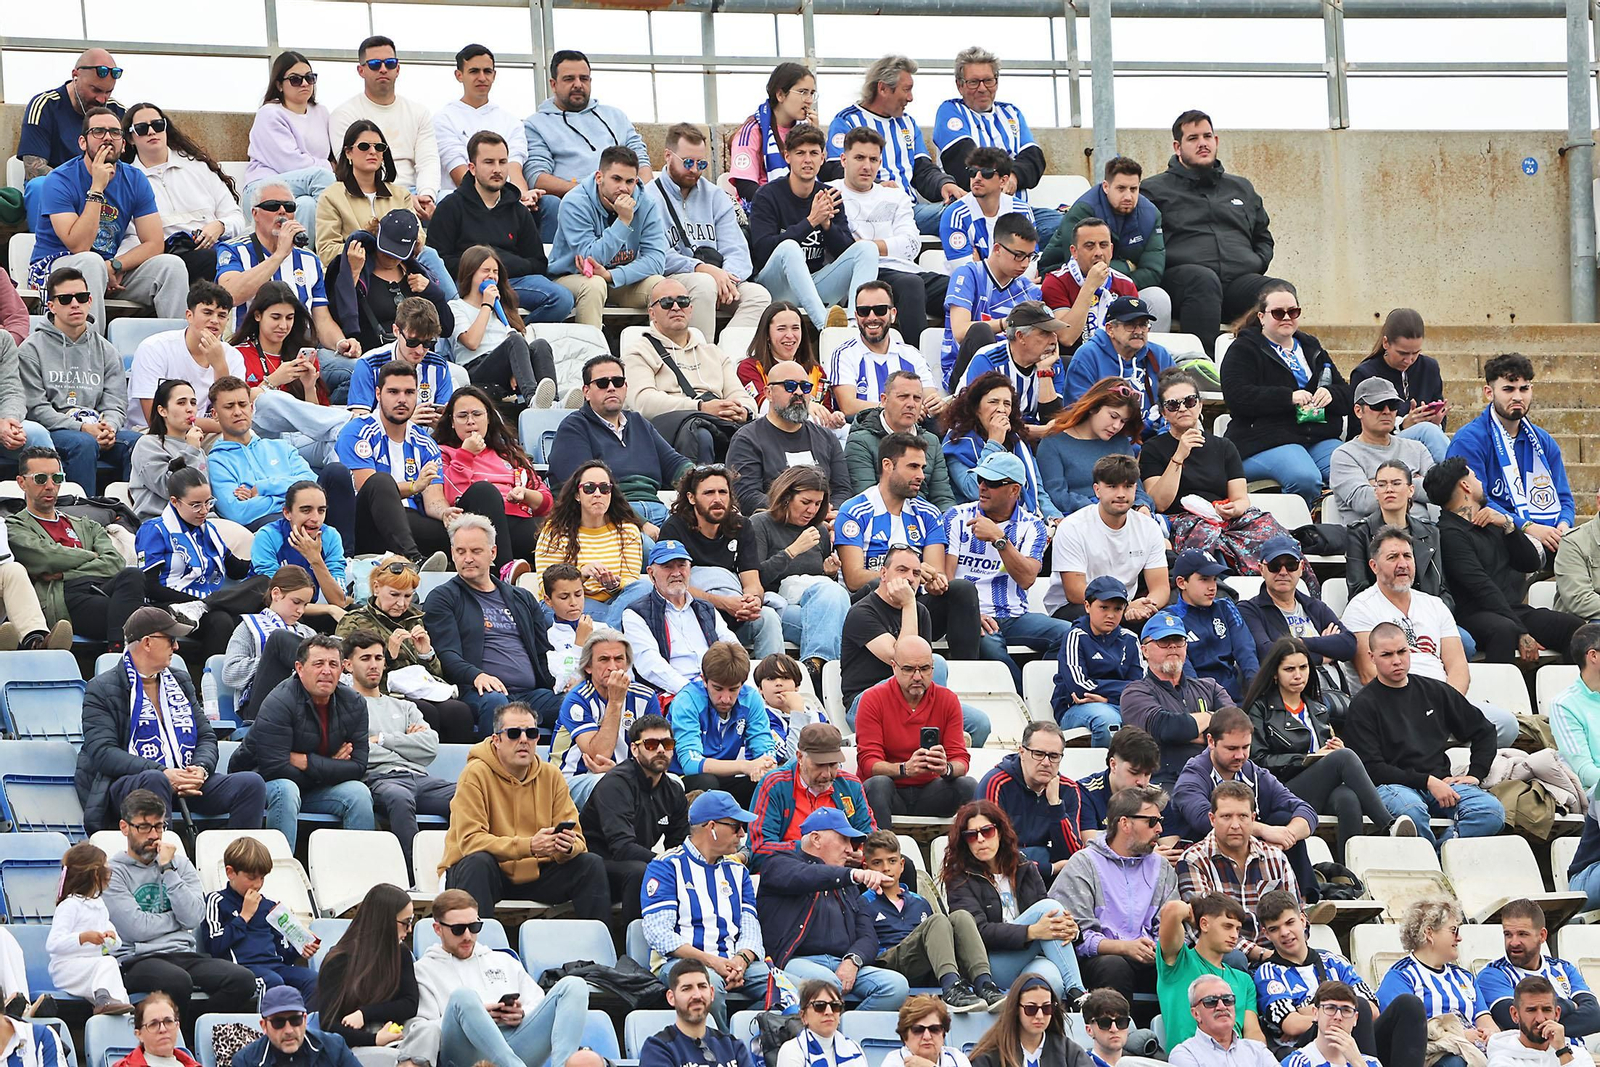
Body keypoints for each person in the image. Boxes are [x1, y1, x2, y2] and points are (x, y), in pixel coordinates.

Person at [1342, 526, 1519, 746]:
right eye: (1393, 557)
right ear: (1373, 566)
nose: (1403, 564)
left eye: (1408, 556)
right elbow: (1369, 675)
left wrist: (1447, 707)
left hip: (1441, 706)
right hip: (1393, 710)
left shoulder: (1434, 604)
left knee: (1505, 724)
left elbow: (1458, 667)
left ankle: (1442, 744)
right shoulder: (1361, 607)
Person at [103, 788, 259, 1033]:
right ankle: (180, 1044)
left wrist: (167, 871)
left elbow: (195, 916)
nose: (153, 835)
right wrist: (177, 921)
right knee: (177, 981)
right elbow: (135, 928)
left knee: (242, 980)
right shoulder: (113, 873)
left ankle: (194, 1031)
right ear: (125, 827)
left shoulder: (178, 864)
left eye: (159, 826)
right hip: (136, 959)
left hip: (182, 953)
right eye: (144, 827)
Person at [1240, 638, 1407, 860]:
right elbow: (1257, 761)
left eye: (1303, 667)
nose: (1298, 675)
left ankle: (1348, 873)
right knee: (1344, 757)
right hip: (1279, 790)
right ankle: (1388, 825)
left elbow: (1325, 755)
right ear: (1275, 673)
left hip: (1314, 789)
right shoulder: (1260, 708)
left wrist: (1332, 748)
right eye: (1289, 669)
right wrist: (1308, 759)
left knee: (1348, 798)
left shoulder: (1317, 709)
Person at [439, 697, 608, 917]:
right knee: (478, 863)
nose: (523, 740)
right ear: (496, 740)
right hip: (488, 873)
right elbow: (471, 842)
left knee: (590, 864)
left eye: (531, 733)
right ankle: (480, 948)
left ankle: (599, 947)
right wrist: (530, 846)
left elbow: (579, 841)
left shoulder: (551, 775)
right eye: (513, 733)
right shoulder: (475, 773)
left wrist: (566, 847)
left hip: (536, 872)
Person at [1344, 622, 1506, 849]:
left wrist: (1475, 774)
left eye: (1402, 651)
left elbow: (1484, 730)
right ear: (1371, 657)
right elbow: (1372, 768)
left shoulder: (1435, 691)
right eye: (1387, 655)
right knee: (1411, 812)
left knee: (1491, 811)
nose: (1397, 660)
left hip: (1441, 784)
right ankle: (1429, 864)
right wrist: (1427, 781)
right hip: (1392, 786)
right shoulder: (1363, 705)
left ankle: (1440, 855)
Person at [26, 106, 188, 331]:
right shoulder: (59, 180)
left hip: (108, 268)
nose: (107, 138)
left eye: (114, 132)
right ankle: (92, 354)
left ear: (123, 144)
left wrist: (115, 265)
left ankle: (178, 351)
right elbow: (79, 245)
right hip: (56, 267)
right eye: (98, 132)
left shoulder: (135, 179)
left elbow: (154, 243)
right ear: (83, 142)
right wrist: (97, 188)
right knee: (91, 263)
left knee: (171, 266)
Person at [404, 887, 592, 1067]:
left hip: (516, 1044)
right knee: (463, 998)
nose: (468, 936)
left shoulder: (503, 960)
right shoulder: (422, 970)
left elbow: (537, 1002)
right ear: (438, 929)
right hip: (465, 1054)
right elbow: (420, 1030)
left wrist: (521, 1012)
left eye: (474, 926)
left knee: (574, 985)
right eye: (458, 929)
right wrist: (473, 1018)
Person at [1139, 109, 1272, 357]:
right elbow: (1143, 244)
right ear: (1177, 147)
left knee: (1278, 293)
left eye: (1207, 136)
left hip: (1238, 284)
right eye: (1193, 138)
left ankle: (1270, 366)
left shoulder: (1241, 187)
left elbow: (1263, 236)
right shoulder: (1153, 190)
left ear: (1216, 141)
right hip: (1184, 283)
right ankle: (1205, 367)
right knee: (1203, 280)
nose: (1202, 143)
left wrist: (1257, 261)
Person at [1428, 455, 1584, 665]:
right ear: (1466, 486)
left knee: (1574, 628)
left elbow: (1529, 563)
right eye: (1475, 477)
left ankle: (1569, 693)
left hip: (1510, 610)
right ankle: (1496, 697)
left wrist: (1509, 526)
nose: (1481, 483)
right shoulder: (1449, 534)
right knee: (1503, 630)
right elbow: (1481, 587)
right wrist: (1521, 631)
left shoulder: (1492, 521)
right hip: (1474, 614)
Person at [640, 791, 779, 1022]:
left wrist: (740, 962)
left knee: (787, 990)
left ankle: (748, 1040)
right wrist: (713, 962)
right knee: (706, 987)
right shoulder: (666, 866)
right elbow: (659, 935)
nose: (743, 835)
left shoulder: (738, 872)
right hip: (679, 963)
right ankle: (722, 1050)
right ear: (712, 827)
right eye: (737, 827)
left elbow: (751, 929)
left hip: (732, 962)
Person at [228, 633, 375, 846]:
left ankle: (357, 870)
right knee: (287, 789)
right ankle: (279, 868)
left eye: (333, 664)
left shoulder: (354, 703)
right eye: (318, 664)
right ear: (299, 668)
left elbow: (358, 766)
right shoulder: (280, 701)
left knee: (359, 793)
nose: (327, 670)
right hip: (258, 780)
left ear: (342, 669)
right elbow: (274, 768)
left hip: (314, 785)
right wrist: (330, 766)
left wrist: (307, 761)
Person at [757, 807, 910, 1010]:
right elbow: (807, 875)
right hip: (794, 961)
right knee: (828, 985)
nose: (850, 849)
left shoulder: (847, 883)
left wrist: (853, 961)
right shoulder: (778, 863)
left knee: (896, 986)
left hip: (841, 962)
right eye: (844, 840)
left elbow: (868, 935)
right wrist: (851, 875)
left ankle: (846, 1033)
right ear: (816, 839)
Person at [214, 180, 361, 384]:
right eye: (273, 206)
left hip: (300, 353)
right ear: (255, 214)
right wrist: (280, 254)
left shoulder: (309, 259)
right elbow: (230, 295)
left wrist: (340, 343)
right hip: (250, 352)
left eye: (289, 207)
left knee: (356, 371)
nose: (282, 212)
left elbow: (321, 318)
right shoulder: (233, 250)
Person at [1254, 891, 1425, 1065]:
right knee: (1357, 1007)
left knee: (1409, 1005)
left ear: (1303, 920)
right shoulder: (1269, 972)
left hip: (1358, 1037)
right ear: (1266, 934)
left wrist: (1314, 1011)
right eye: (1274, 929)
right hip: (1312, 1048)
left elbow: (1372, 1010)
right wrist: (1341, 1013)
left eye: (1290, 922)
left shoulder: (1334, 961)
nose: (1284, 932)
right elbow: (1292, 1024)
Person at [943, 450, 1068, 684]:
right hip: (970, 616)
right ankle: (1023, 700)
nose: (982, 487)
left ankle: (1040, 690)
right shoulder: (956, 517)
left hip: (1013, 616)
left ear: (1014, 490)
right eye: (980, 480)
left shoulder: (1033, 526)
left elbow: (1027, 578)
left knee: (1070, 634)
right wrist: (968, 614)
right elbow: (948, 577)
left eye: (991, 483)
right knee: (992, 650)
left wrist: (1000, 540)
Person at [1221, 280, 1351, 505]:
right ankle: (1298, 534)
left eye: (1293, 311)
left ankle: (1344, 534)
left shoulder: (1312, 347)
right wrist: (1287, 397)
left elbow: (1346, 395)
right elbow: (1237, 396)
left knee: (1352, 469)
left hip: (1316, 437)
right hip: (1265, 439)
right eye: (1278, 313)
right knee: (1306, 478)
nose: (1287, 317)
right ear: (1262, 317)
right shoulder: (1244, 349)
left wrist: (1330, 395)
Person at [428, 515, 560, 733]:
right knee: (498, 705)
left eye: (476, 551)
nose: (467, 558)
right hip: (479, 691)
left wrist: (563, 683)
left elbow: (543, 651)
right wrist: (477, 675)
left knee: (575, 704)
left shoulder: (522, 598)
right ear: (453, 553)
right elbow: (446, 654)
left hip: (531, 694)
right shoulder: (443, 597)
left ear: (493, 553)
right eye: (461, 551)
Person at [941, 800, 1086, 999]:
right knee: (1050, 908)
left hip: (1028, 957)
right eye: (972, 835)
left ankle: (1070, 998)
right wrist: (1031, 932)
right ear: (964, 841)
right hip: (988, 966)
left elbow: (1048, 921)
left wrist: (1073, 930)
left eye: (987, 831)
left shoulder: (1024, 867)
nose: (981, 839)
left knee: (1050, 982)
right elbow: (977, 932)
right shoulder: (960, 878)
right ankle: (1078, 992)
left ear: (1000, 832)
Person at [1050, 784, 1176, 1006]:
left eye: (1161, 821)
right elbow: (1074, 935)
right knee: (1113, 965)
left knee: (1186, 964)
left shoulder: (1162, 867)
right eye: (1151, 822)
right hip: (1099, 958)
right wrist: (1124, 947)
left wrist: (1159, 945)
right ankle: (1115, 1038)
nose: (1159, 830)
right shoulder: (1084, 863)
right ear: (1124, 823)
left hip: (1150, 954)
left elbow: (1171, 922)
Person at [429, 132, 573, 324]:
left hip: (511, 283)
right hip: (467, 285)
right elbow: (438, 261)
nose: (497, 169)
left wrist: (502, 266)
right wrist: (479, 268)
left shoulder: (518, 209)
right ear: (472, 168)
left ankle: (518, 337)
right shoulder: (450, 206)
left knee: (562, 299)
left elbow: (538, 262)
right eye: (489, 162)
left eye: (502, 162)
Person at [134, 466, 268, 667]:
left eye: (208, 503)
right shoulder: (154, 530)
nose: (204, 511)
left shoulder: (209, 530)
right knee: (221, 620)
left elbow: (236, 569)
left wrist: (268, 549)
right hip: (169, 605)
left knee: (265, 583)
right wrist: (195, 601)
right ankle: (209, 686)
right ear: (175, 502)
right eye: (196, 505)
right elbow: (150, 586)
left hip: (208, 604)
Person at [342, 629, 454, 869]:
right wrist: (406, 742)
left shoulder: (405, 706)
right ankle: (414, 875)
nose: (374, 665)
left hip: (420, 778)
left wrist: (381, 739)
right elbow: (358, 751)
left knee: (467, 795)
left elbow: (430, 746)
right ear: (348, 665)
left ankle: (458, 870)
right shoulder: (344, 706)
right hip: (380, 780)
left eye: (379, 658)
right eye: (365, 659)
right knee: (399, 798)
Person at [1447, 352, 1574, 564]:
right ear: (1489, 392)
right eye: (1508, 389)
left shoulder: (1543, 441)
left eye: (1524, 389)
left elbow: (1565, 499)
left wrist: (1563, 526)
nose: (1518, 397)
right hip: (1493, 533)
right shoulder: (1469, 440)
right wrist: (1528, 527)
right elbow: (1476, 502)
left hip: (1546, 533)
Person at [647, 123, 771, 339]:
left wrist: (727, 280)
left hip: (719, 278)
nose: (695, 169)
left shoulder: (715, 195)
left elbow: (737, 249)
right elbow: (656, 255)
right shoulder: (649, 197)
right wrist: (702, 269)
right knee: (703, 285)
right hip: (672, 278)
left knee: (758, 296)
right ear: (668, 155)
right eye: (687, 162)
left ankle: (722, 357)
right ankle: (697, 359)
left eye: (701, 163)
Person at [749, 126, 880, 329]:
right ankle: (826, 328)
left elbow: (845, 252)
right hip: (776, 287)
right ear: (787, 156)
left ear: (823, 157)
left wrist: (827, 226)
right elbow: (762, 250)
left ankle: (856, 327)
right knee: (790, 248)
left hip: (815, 284)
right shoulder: (767, 195)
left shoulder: (830, 195)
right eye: (800, 153)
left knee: (867, 249)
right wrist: (810, 222)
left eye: (814, 153)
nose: (807, 160)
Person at [334, 555, 475, 744]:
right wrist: (388, 657)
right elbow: (346, 673)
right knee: (425, 712)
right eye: (394, 594)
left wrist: (427, 654)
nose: (401, 604)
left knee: (460, 712)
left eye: (407, 596)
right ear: (376, 588)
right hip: (382, 694)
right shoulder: (353, 621)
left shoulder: (415, 620)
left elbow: (436, 676)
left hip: (421, 691)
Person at [20, 268, 139, 491]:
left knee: (139, 444)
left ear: (90, 300)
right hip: (54, 431)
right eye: (65, 299)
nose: (75, 304)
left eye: (81, 297)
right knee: (83, 444)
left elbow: (116, 402)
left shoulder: (106, 350)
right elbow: (36, 409)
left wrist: (109, 427)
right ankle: (81, 513)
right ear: (51, 305)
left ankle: (128, 515)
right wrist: (82, 428)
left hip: (97, 430)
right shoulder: (31, 349)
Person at [9, 446, 140, 647]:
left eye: (57, 478)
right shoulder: (15, 526)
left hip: (93, 585)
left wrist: (64, 572)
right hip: (63, 594)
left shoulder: (86, 524)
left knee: (134, 576)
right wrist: (92, 555)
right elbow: (47, 558)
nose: (51, 486)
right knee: (136, 615)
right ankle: (121, 651)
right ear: (22, 483)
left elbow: (115, 563)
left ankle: (118, 651)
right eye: (41, 479)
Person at [857, 831, 1000, 1011]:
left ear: (902, 865)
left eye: (892, 861)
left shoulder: (919, 901)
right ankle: (951, 988)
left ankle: (985, 984)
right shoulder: (863, 902)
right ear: (865, 867)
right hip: (888, 964)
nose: (886, 868)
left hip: (924, 964)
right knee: (938, 920)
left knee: (961, 916)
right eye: (877, 863)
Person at [831, 127, 949, 343]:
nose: (867, 166)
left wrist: (865, 246)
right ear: (843, 159)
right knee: (911, 285)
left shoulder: (895, 195)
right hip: (864, 275)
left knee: (962, 287)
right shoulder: (830, 192)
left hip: (906, 269)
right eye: (859, 158)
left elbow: (912, 245)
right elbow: (841, 248)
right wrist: (877, 248)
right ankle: (915, 361)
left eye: (873, 159)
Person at [548, 354, 692, 530]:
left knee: (694, 539)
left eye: (617, 382)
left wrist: (703, 480)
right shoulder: (574, 428)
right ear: (586, 392)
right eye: (602, 383)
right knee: (648, 549)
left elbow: (676, 465)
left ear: (625, 387)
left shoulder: (639, 422)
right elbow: (588, 490)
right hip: (607, 516)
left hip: (659, 509)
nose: (611, 388)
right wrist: (641, 523)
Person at [619, 277, 755, 462]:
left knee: (756, 434)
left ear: (690, 309)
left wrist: (743, 410)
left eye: (682, 301)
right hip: (669, 429)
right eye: (667, 303)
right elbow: (642, 402)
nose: (676, 307)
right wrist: (700, 408)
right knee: (701, 434)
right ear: (652, 313)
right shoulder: (638, 352)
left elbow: (742, 396)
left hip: (716, 421)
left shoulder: (713, 352)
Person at [1175, 779, 1310, 966]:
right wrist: (1262, 954)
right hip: (1224, 957)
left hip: (1276, 950)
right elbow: (1202, 927)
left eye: (1243, 816)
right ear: (1212, 819)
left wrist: (1290, 950)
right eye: (1226, 816)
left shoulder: (1275, 857)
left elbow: (1297, 912)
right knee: (1234, 958)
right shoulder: (1193, 860)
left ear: (1253, 819)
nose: (1235, 825)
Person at [336, 361, 458, 564]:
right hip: (367, 524)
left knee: (460, 530)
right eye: (393, 392)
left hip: (411, 521)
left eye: (409, 392)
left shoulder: (426, 443)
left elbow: (433, 500)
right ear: (377, 394)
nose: (402, 399)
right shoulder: (357, 432)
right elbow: (368, 486)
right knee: (381, 481)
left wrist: (446, 513)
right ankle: (415, 559)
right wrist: (414, 486)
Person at [824, 55, 961, 236]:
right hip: (865, 213)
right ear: (883, 88)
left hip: (908, 210)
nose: (910, 98)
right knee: (957, 215)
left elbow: (923, 171)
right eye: (906, 90)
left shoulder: (908, 124)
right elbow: (835, 170)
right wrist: (878, 187)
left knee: (963, 210)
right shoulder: (847, 121)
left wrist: (944, 184)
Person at [657, 464, 783, 659]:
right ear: (691, 498)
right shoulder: (674, 528)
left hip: (736, 612)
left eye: (722, 492)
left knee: (768, 618)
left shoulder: (742, 525)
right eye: (709, 493)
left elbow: (752, 582)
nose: (717, 499)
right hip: (692, 616)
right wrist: (724, 603)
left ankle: (774, 679)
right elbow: (671, 586)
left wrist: (751, 601)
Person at [522, 50, 653, 230]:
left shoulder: (615, 116)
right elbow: (537, 177)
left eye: (584, 78)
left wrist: (644, 192)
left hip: (624, 196)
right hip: (576, 202)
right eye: (569, 79)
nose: (578, 85)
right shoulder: (536, 124)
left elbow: (641, 159)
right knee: (551, 204)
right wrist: (590, 191)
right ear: (553, 84)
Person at [742, 465, 852, 680]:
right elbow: (756, 577)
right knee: (837, 628)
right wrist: (792, 551)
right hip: (777, 605)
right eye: (805, 502)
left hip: (815, 605)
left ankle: (815, 667)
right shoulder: (760, 523)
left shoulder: (819, 529)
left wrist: (829, 571)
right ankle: (824, 676)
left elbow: (818, 582)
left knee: (833, 599)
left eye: (818, 504)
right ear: (786, 497)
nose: (811, 510)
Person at [935, 47, 1056, 240]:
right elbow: (963, 161)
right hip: (974, 211)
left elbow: (1034, 158)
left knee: (1065, 226)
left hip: (1019, 212)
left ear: (996, 82)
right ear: (960, 85)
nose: (982, 88)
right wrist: (1000, 178)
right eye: (973, 82)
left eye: (988, 80)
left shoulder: (1011, 113)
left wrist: (1013, 178)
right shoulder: (950, 111)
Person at [857, 635, 975, 829]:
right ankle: (881, 852)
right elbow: (868, 763)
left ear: (932, 668)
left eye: (925, 669)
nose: (918, 676)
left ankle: (972, 856)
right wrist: (905, 769)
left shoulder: (947, 699)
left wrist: (946, 768)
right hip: (890, 790)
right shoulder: (873, 699)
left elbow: (961, 759)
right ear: (894, 667)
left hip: (931, 790)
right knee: (878, 784)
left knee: (967, 785)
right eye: (909, 669)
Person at [579, 713, 687, 919]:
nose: (661, 750)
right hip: (594, 865)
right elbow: (622, 847)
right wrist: (666, 862)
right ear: (634, 749)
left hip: (635, 862)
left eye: (667, 743)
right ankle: (633, 944)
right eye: (652, 744)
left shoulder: (673, 790)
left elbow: (679, 843)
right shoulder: (616, 783)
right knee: (641, 871)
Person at [435, 385, 553, 573]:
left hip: (517, 522)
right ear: (451, 421)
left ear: (489, 418)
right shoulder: (443, 453)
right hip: (474, 525)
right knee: (485, 491)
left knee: (558, 528)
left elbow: (546, 502)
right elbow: (451, 495)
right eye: (462, 416)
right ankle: (504, 571)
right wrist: (465, 454)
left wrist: (526, 494)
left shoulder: (510, 454)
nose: (470, 421)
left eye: (477, 414)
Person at [121, 103, 244, 283]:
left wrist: (220, 226)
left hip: (218, 247)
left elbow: (236, 216)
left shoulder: (198, 167)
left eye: (157, 125)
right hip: (169, 259)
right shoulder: (126, 180)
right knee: (214, 262)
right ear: (130, 138)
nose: (151, 132)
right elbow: (131, 237)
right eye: (141, 128)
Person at [1044, 156, 1171, 328]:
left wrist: (1116, 282)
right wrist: (1127, 266)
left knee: (1158, 298)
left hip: (1122, 286)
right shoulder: (1083, 209)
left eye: (1133, 189)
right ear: (1106, 186)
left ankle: (1147, 353)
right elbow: (1078, 263)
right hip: (1072, 284)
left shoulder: (1150, 214)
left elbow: (1153, 272)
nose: (1128, 196)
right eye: (1121, 188)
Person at [547, 145, 666, 327]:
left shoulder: (647, 203)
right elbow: (590, 259)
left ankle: (654, 351)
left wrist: (611, 275)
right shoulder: (574, 202)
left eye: (629, 181)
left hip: (616, 279)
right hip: (571, 278)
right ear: (599, 177)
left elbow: (657, 260)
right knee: (594, 284)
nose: (623, 188)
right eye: (616, 179)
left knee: (660, 286)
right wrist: (623, 221)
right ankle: (591, 353)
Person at [327, 35, 441, 223]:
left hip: (417, 192)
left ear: (397, 69)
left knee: (451, 203)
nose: (382, 69)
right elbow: (350, 166)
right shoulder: (344, 114)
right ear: (361, 70)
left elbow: (428, 160)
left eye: (389, 63)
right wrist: (400, 197)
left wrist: (428, 195)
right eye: (374, 64)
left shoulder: (418, 112)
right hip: (369, 193)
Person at [1051, 453, 1169, 626]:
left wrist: (1147, 605)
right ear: (1097, 490)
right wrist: (1122, 607)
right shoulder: (1072, 526)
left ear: (1135, 489)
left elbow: (1161, 588)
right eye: (1112, 486)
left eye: (1128, 486)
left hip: (1126, 606)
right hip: (1076, 607)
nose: (1121, 494)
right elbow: (1075, 591)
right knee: (1107, 622)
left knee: (1165, 624)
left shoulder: (1149, 527)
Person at [197, 836, 319, 1001]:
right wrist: (244, 916)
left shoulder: (269, 906)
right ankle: (273, 1026)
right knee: (274, 983)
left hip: (275, 967)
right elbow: (214, 947)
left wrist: (299, 950)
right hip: (241, 971)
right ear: (230, 872)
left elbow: (282, 953)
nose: (258, 884)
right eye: (251, 878)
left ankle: (306, 1026)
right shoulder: (216, 901)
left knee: (314, 980)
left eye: (262, 878)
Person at [1121, 610, 1232, 789]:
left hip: (1216, 778)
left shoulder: (1210, 687)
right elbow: (1167, 728)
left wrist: (1185, 731)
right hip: (1164, 782)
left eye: (1178, 640)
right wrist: (1211, 717)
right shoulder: (1135, 692)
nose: (1173, 646)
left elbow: (1234, 726)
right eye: (1163, 641)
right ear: (1145, 650)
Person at [17, 49, 127, 225]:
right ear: (75, 75)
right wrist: (88, 186)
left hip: (107, 189)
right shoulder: (45, 105)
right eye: (96, 90)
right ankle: (48, 249)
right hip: (60, 189)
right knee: (39, 186)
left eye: (108, 91)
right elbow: (34, 170)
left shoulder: (118, 112)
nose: (102, 99)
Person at [533, 461, 646, 629]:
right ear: (577, 495)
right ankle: (614, 629)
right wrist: (581, 576)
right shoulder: (555, 531)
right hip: (575, 603)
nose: (597, 494)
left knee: (646, 586)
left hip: (616, 601)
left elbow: (631, 581)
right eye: (589, 488)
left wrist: (615, 585)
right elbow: (546, 587)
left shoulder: (628, 531)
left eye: (604, 488)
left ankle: (607, 629)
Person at [549, 628, 654, 807]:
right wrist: (615, 702)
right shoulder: (577, 699)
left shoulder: (645, 697)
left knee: (674, 782)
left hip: (624, 776)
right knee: (609, 784)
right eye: (604, 659)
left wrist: (621, 772)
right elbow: (599, 755)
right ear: (588, 666)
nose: (612, 667)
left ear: (627, 664)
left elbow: (654, 752)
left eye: (619, 659)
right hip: (574, 781)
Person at [725, 365, 851, 512]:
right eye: (789, 386)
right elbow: (746, 496)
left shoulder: (826, 437)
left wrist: (828, 513)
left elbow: (843, 489)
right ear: (768, 393)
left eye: (805, 387)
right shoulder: (747, 439)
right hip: (773, 527)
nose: (799, 392)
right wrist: (799, 512)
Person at [622, 540, 741, 695]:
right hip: (672, 694)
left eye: (681, 565)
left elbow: (733, 647)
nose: (676, 573)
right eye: (668, 567)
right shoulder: (635, 613)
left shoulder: (706, 608)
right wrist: (693, 692)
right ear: (651, 574)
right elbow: (649, 664)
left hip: (718, 689)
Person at [125, 281, 245, 434]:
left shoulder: (233, 356)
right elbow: (155, 418)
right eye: (207, 313)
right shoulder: (155, 347)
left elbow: (234, 413)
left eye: (222, 315)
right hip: (153, 433)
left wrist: (220, 366)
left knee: (246, 439)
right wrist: (223, 426)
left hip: (207, 433)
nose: (215, 320)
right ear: (189, 315)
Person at [1376, 898, 1484, 1067]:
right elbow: (1403, 1032)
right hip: (1431, 1056)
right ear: (1429, 933)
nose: (1459, 938)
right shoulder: (1401, 976)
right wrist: (1460, 1036)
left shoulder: (1465, 977)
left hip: (1473, 1051)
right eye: (1453, 930)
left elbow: (1485, 1020)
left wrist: (1490, 1034)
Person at [665, 642, 777, 803]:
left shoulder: (751, 699)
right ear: (704, 680)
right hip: (682, 779)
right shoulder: (687, 701)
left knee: (765, 783)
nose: (725, 698)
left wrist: (766, 764)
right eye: (718, 688)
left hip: (725, 777)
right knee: (707, 783)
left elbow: (764, 746)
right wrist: (744, 766)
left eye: (733, 689)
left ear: (742, 684)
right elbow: (691, 764)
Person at [750, 723, 874, 868]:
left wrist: (863, 854)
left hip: (843, 874)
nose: (827, 774)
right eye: (819, 765)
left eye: (833, 764)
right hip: (790, 873)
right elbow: (759, 849)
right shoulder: (774, 785)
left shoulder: (851, 785)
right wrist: (811, 850)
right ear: (800, 757)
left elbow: (871, 837)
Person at [448, 247, 561, 406]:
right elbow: (472, 342)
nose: (491, 276)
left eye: (495, 271)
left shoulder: (503, 308)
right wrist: (486, 305)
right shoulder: (456, 307)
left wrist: (516, 368)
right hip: (477, 369)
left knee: (540, 345)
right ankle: (532, 398)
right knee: (514, 340)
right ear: (470, 272)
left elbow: (517, 345)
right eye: (485, 270)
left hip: (506, 368)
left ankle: (553, 402)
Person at [1475, 898, 1600, 1042]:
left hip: (1575, 1057)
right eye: (1508, 934)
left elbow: (1595, 1016)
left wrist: (1540, 1022)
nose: (1514, 942)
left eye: (1522, 934)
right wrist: (1571, 1004)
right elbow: (1515, 1021)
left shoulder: (1564, 968)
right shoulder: (1493, 974)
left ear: (1542, 935)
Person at [940, 213, 1043, 386]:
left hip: (1014, 371)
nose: (1025, 264)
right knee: (981, 331)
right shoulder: (969, 275)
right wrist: (1007, 323)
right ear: (997, 249)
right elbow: (960, 331)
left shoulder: (1029, 291)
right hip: (965, 372)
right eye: (1018, 255)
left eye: (1030, 256)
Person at [314, 883, 418, 1049]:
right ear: (385, 921)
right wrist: (374, 1040)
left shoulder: (401, 953)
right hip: (356, 1047)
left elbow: (410, 1004)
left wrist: (365, 1013)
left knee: (428, 1031)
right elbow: (329, 1025)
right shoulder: (339, 961)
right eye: (406, 922)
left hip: (396, 1038)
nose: (410, 929)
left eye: (411, 921)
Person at [1155, 893, 1266, 1048]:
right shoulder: (1179, 963)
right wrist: (1194, 915)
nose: (1235, 935)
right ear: (1204, 924)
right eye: (1227, 926)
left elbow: (1253, 1032)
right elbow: (1172, 909)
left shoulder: (1244, 980)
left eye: (1238, 929)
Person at [1237, 534, 1355, 677]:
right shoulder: (1249, 610)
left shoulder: (1315, 606)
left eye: (1291, 565)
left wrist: (1299, 643)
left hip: (1333, 695)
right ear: (1262, 569)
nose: (1283, 572)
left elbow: (1349, 644)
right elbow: (1267, 654)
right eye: (1275, 566)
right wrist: (1325, 654)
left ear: (1301, 568)